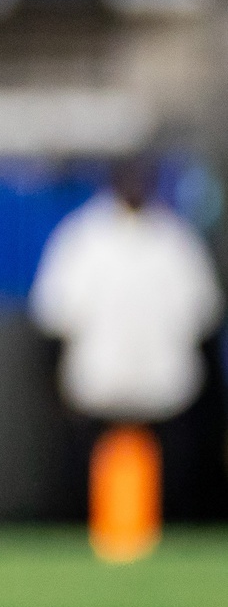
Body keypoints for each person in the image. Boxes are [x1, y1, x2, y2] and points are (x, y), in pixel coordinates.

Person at [31, 158, 222, 435]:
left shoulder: (176, 240)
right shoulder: (83, 237)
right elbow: (53, 315)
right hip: (98, 393)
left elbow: (204, 315)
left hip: (165, 396)